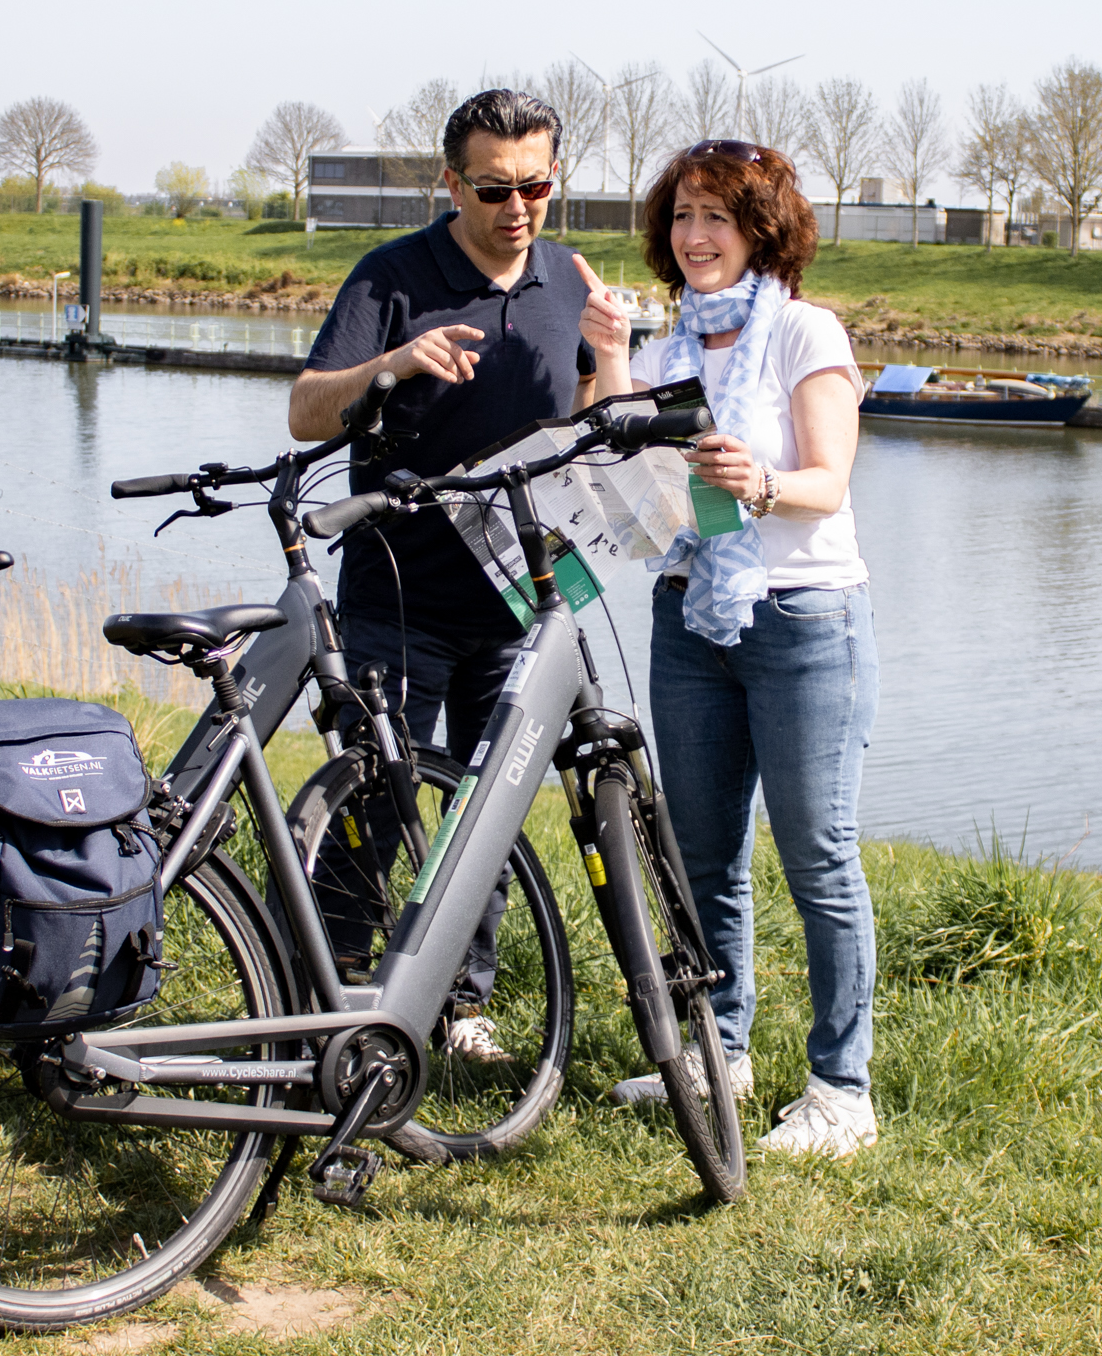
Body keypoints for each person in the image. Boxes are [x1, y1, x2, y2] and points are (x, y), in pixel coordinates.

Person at [289, 89, 630, 1051]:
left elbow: (588, 414)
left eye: (537, 186)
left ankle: (458, 1002)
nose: (518, 207)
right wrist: (394, 363)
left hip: (523, 596)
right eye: (493, 189)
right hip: (401, 593)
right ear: (451, 183)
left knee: (488, 816)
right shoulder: (391, 275)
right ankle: (329, 991)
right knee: (374, 801)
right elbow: (306, 412)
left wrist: (611, 360)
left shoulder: (567, 277)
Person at [616, 138, 880, 1158]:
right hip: (690, 619)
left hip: (803, 618)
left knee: (819, 857)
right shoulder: (667, 351)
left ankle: (842, 1089)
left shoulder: (805, 331)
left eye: (717, 216)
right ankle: (718, 1050)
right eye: (682, 215)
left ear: (762, 230)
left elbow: (828, 482)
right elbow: (621, 476)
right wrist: (609, 355)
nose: (695, 236)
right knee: (702, 854)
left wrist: (757, 483)